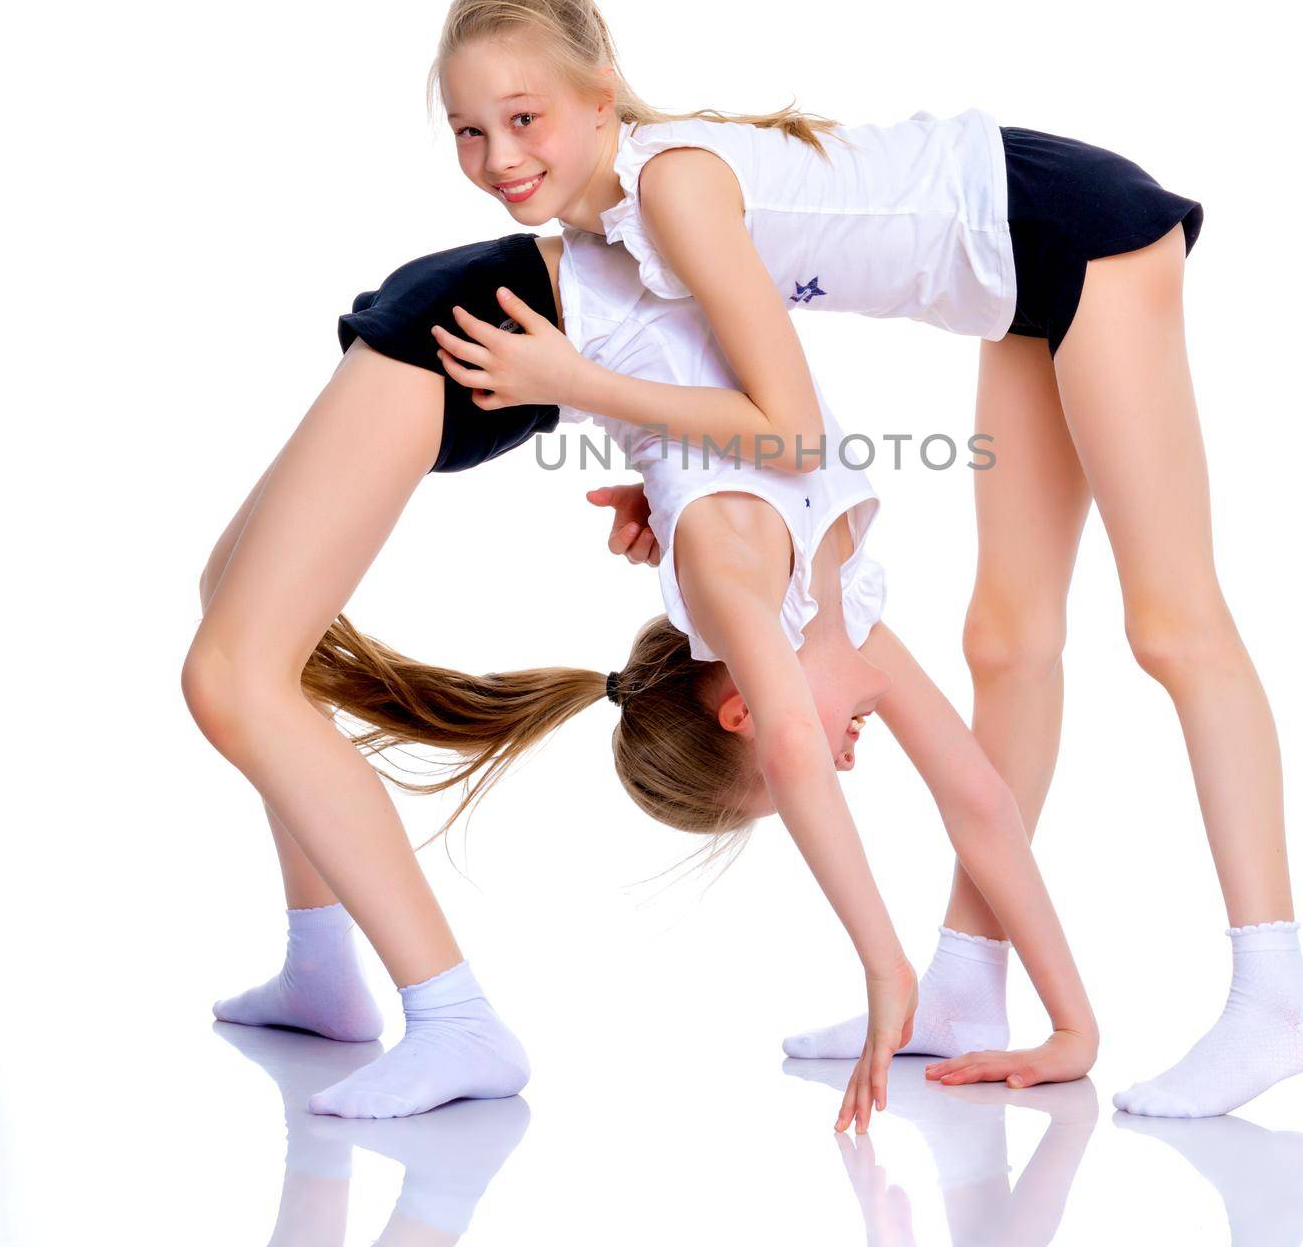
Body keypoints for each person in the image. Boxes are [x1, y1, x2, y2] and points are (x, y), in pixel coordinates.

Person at [420, 0, 1303, 1118]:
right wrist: (664, 470)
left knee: (1170, 620)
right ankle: (965, 984)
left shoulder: (674, 189)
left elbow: (789, 431)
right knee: (1005, 641)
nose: (499, 156)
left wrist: (570, 380)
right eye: (467, 131)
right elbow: (707, 387)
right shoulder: (615, 234)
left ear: (601, 98)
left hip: (1073, 230)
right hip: (1013, 282)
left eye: (522, 118)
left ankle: (1274, 989)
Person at [185, 225, 1097, 1133]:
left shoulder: (738, 580)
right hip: (516, 317)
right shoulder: (832, 597)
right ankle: (392, 994)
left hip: (485, 327)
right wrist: (961, 988)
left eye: (809, 770)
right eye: (814, 769)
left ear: (744, 705)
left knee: (239, 656)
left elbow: (883, 767)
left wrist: (1006, 1003)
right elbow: (977, 794)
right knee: (238, 633)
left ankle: (385, 993)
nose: (842, 762)